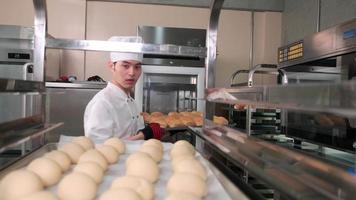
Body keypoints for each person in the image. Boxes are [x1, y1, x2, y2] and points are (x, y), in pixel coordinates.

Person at [84, 36, 163, 141]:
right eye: (126, 66)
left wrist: (145, 131)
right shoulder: (102, 103)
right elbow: (99, 149)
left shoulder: (132, 102)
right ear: (112, 66)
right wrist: (143, 135)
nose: (132, 73)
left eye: (137, 67)